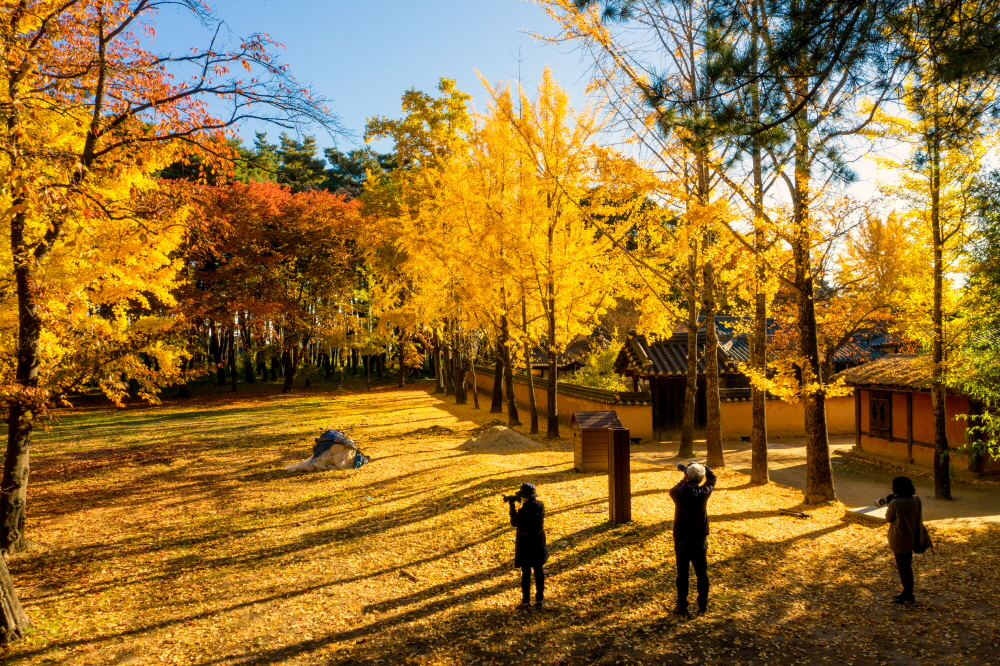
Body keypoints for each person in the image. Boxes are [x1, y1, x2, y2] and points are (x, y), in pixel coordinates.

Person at [669, 462, 717, 615]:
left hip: (682, 539)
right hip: (699, 540)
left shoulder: (677, 493)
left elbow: (676, 487)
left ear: (688, 476)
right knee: (702, 573)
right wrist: (702, 466)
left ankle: (682, 605)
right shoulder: (704, 492)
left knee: (682, 574)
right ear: (701, 478)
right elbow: (712, 477)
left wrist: (686, 475)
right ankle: (702, 605)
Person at [508, 482, 548, 608]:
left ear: (524, 497)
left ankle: (525, 601)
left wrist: (512, 506)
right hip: (539, 541)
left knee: (526, 573)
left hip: (526, 542)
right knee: (538, 571)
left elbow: (514, 522)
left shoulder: (523, 510)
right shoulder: (540, 505)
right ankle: (539, 600)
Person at [884, 476, 921, 605]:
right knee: (906, 566)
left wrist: (890, 503)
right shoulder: (916, 500)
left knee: (903, 569)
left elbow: (889, 518)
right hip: (912, 535)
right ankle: (906, 592)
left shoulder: (896, 503)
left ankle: (908, 594)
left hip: (899, 538)